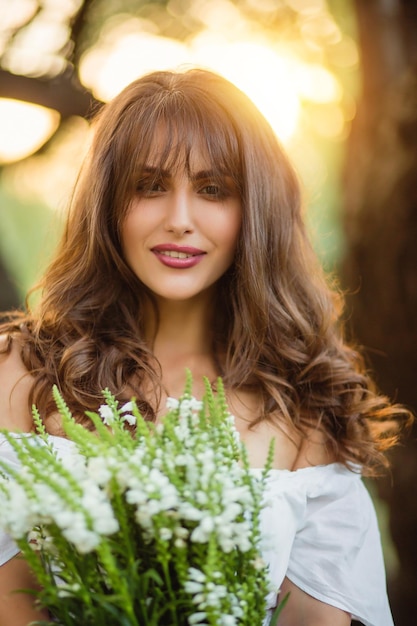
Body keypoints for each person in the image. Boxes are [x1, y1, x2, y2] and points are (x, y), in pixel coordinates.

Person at [0, 68, 411, 626]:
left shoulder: (308, 409)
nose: (180, 221)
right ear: (107, 203)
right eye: (149, 186)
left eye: (213, 190)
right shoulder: (20, 371)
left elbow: (314, 616)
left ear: (255, 210)